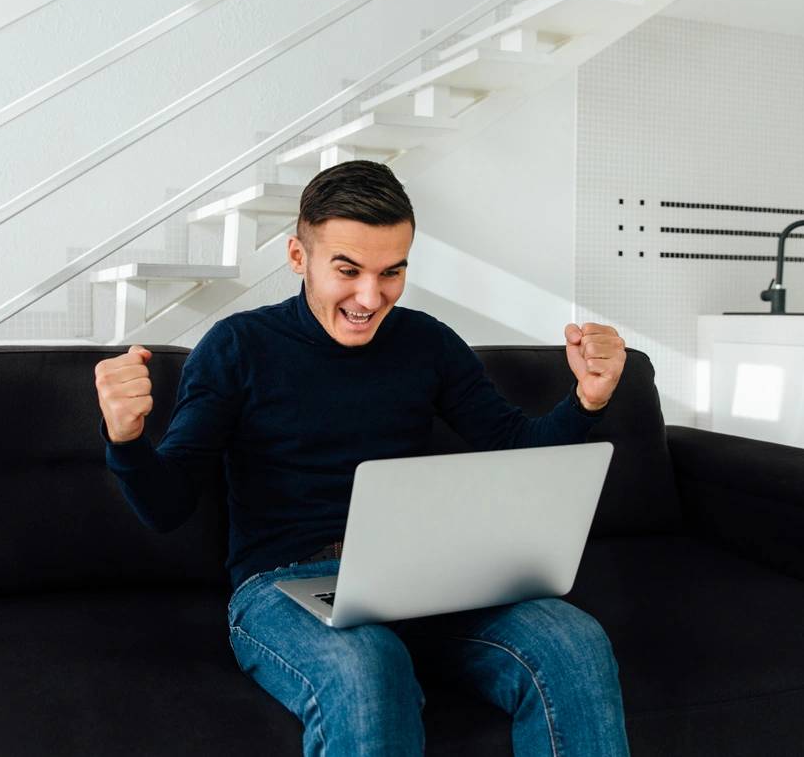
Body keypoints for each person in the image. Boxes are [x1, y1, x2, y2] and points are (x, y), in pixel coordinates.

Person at [94, 160, 630, 756]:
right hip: (285, 585)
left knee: (573, 642)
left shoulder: (426, 342)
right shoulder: (238, 347)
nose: (370, 298)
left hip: (424, 578)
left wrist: (588, 400)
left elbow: (517, 449)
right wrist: (126, 439)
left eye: (391, 272)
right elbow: (167, 507)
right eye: (347, 270)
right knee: (366, 666)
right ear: (299, 258)